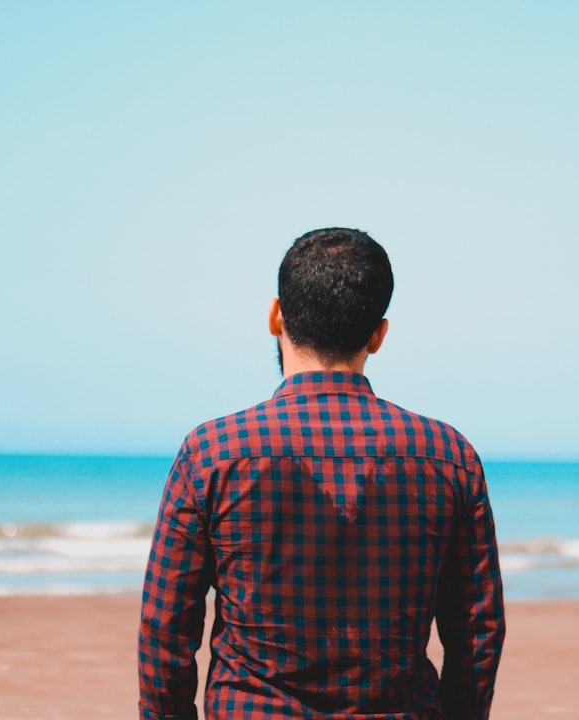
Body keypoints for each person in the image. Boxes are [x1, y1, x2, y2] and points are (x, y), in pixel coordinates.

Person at [138, 228, 505, 720]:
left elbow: (166, 629)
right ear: (379, 333)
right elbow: (477, 632)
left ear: (275, 317)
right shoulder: (447, 456)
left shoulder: (213, 453)